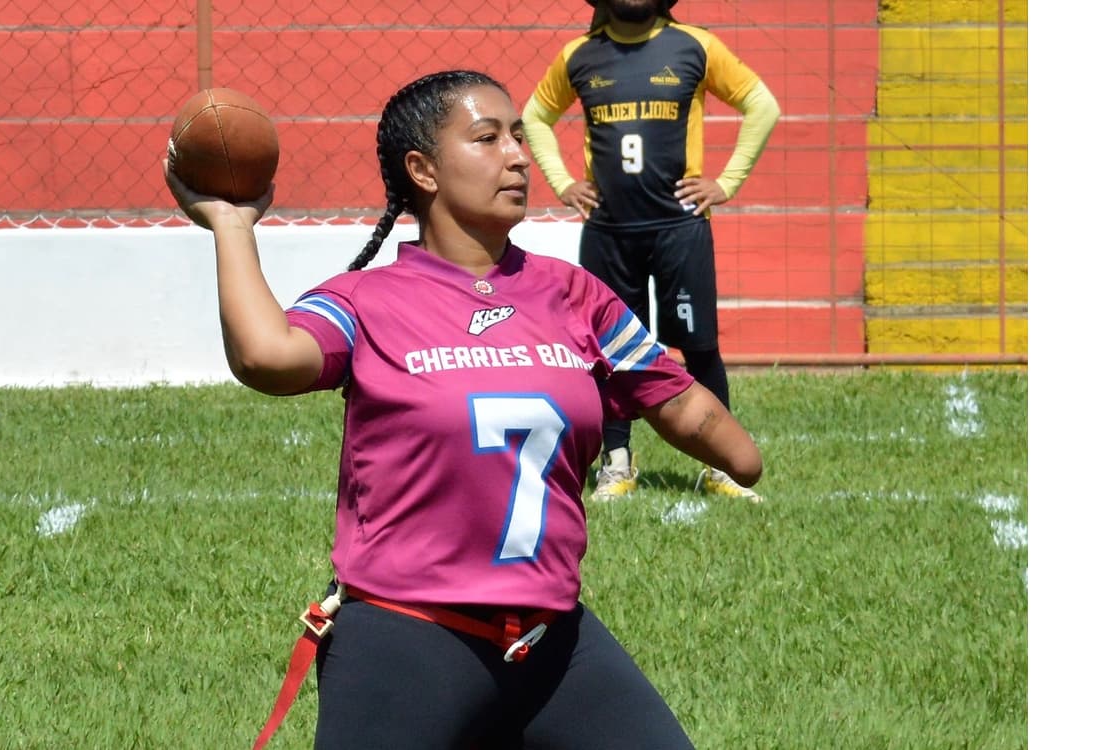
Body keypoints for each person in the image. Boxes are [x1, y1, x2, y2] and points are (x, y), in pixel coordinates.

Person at [165, 69, 761, 750]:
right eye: (486, 138)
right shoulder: (370, 300)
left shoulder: (573, 294)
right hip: (407, 639)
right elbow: (267, 358)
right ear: (423, 170)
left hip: (553, 641)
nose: (517, 155)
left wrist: (719, 435)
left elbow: (674, 398)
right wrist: (231, 225)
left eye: (517, 136)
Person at [522, 0, 780, 502]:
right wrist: (561, 182)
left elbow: (761, 104)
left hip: (679, 229)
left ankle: (720, 465)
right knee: (608, 351)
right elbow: (535, 116)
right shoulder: (578, 55)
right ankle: (616, 462)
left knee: (699, 345)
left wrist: (727, 182)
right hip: (609, 231)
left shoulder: (695, 46)